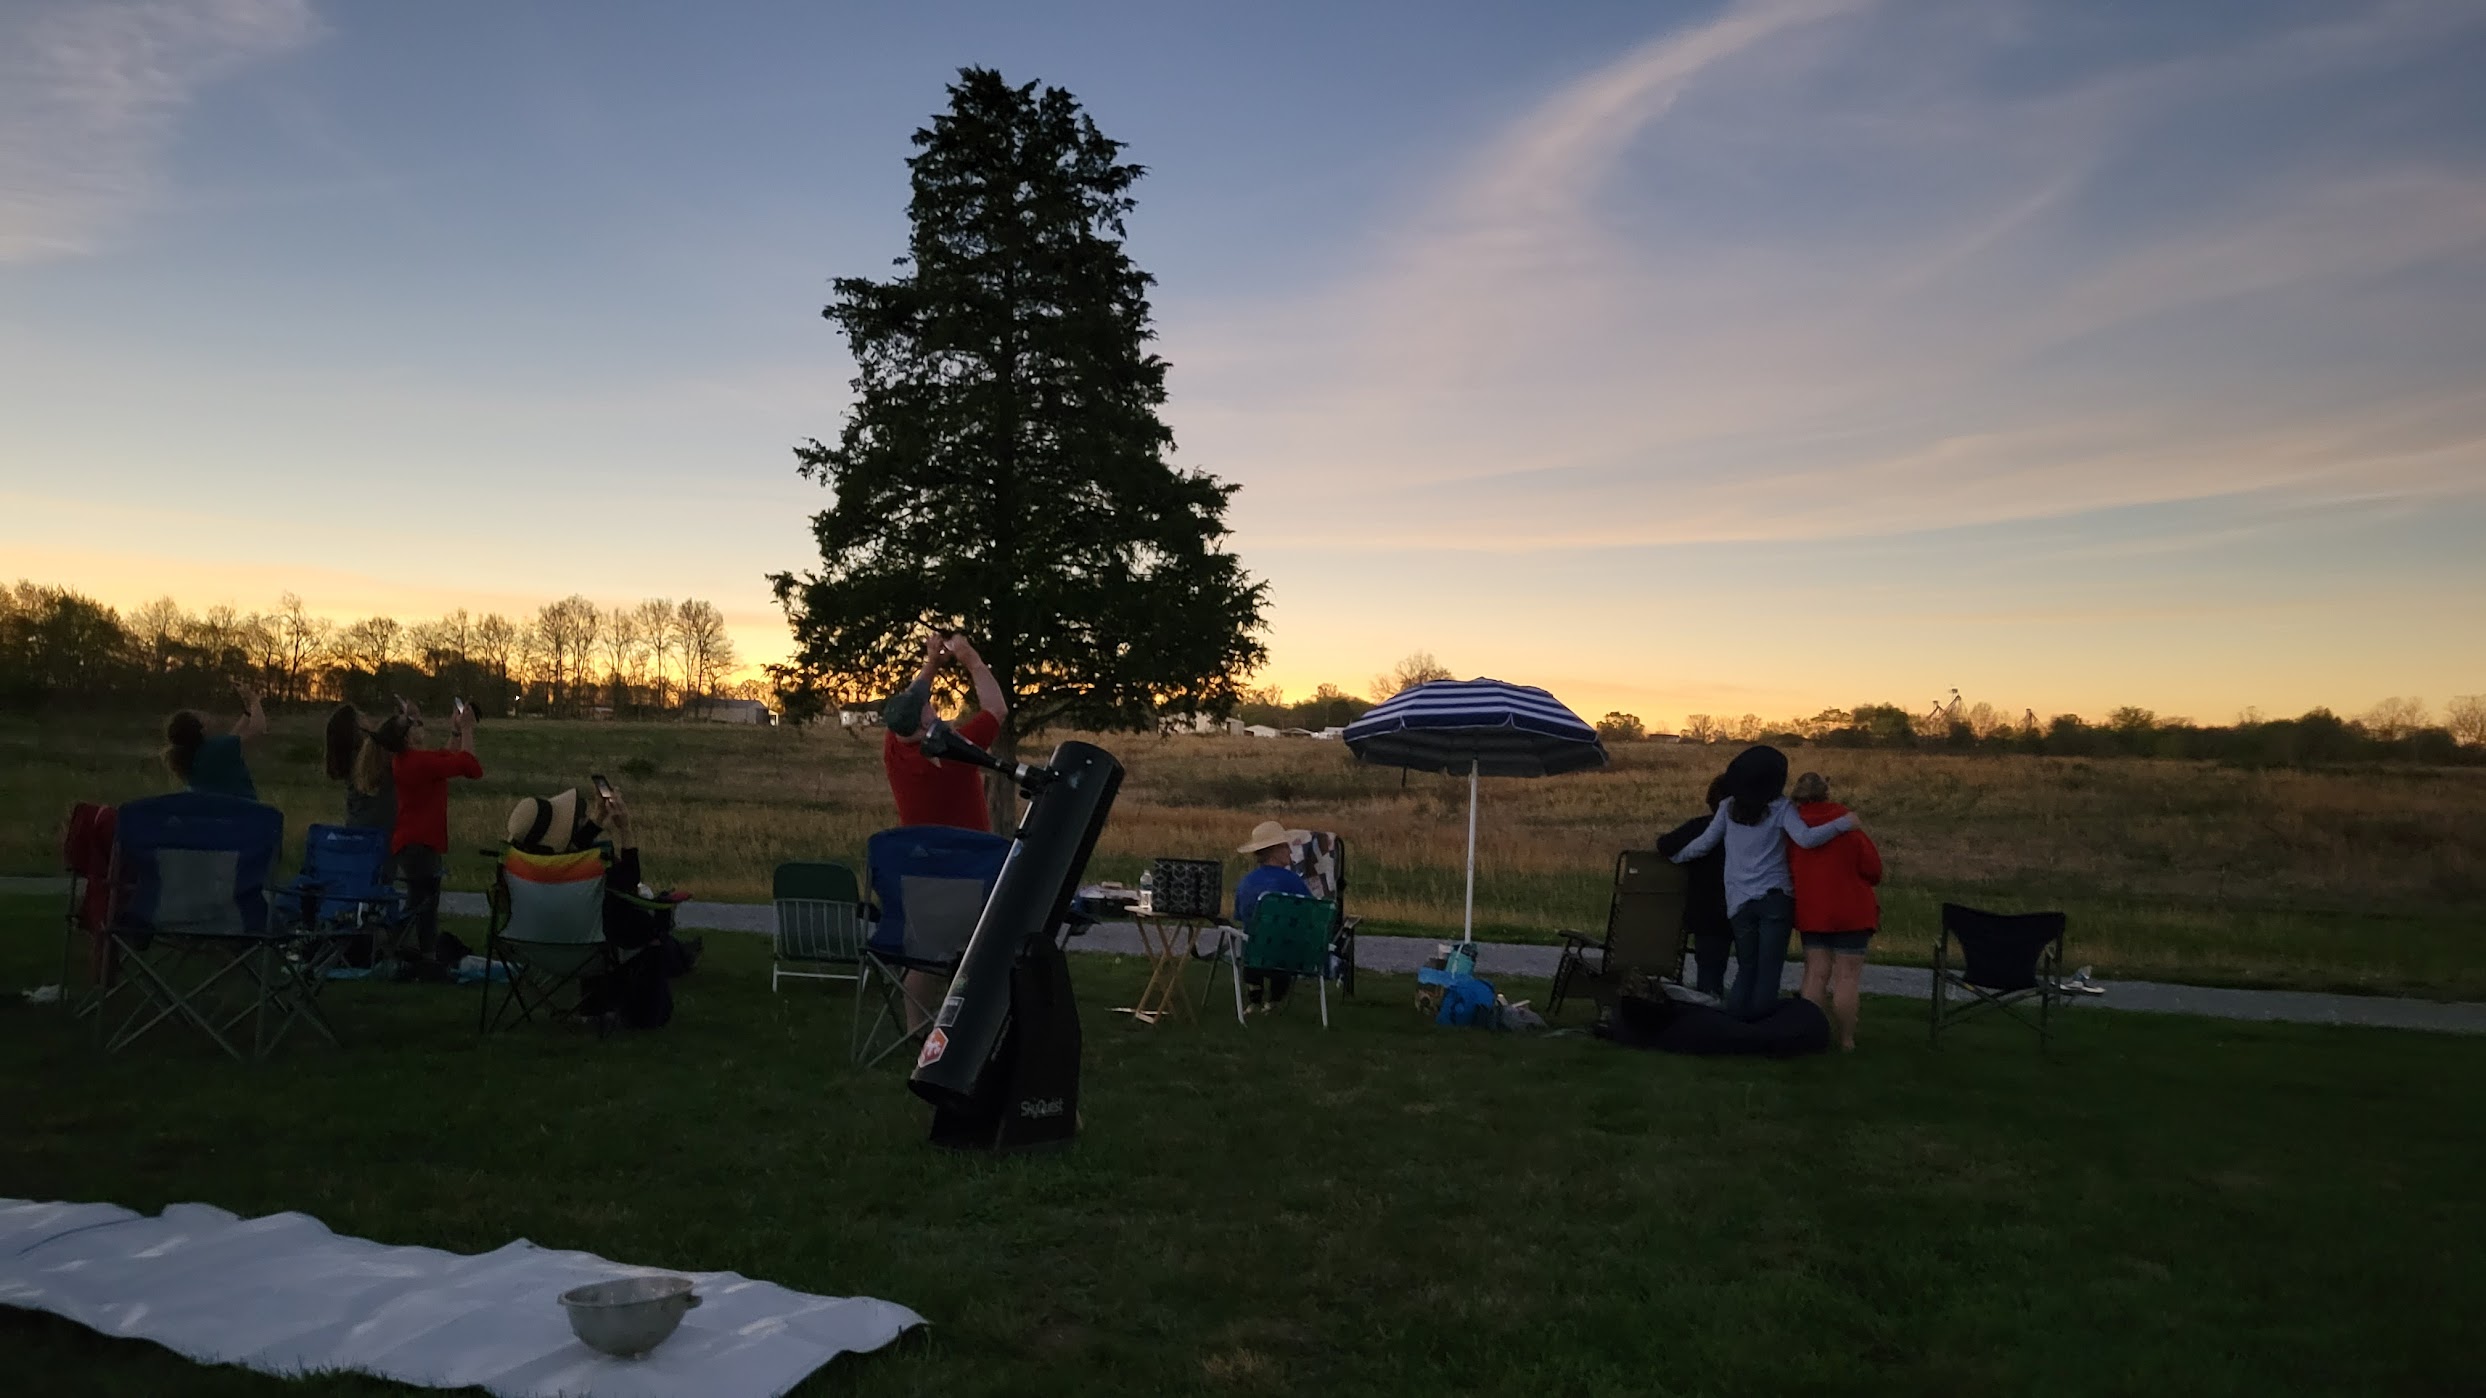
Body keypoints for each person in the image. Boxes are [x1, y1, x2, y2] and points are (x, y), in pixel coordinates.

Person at [1665, 745, 1862, 1021]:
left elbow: (1703, 844)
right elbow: (1806, 839)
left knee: (1747, 967)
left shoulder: (1728, 808)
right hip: (1775, 898)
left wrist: (1675, 857)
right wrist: (1843, 824)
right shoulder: (1781, 809)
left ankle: (1734, 1024)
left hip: (1738, 901)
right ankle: (1761, 1028)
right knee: (1768, 970)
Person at [881, 631, 1010, 1027]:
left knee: (925, 956)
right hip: (969, 874)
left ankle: (919, 1032)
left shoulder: (894, 745)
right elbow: (996, 709)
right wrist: (969, 657)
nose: (933, 705)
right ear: (926, 721)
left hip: (922, 872)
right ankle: (978, 1024)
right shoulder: (954, 751)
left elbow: (912, 698)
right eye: (929, 708)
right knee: (982, 951)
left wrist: (932, 662)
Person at [504, 786, 700, 1029]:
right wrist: (625, 828)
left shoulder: (519, 867)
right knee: (646, 932)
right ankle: (646, 1006)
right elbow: (629, 879)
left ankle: (598, 1006)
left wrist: (597, 819)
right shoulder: (583, 870)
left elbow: (568, 849)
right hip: (589, 951)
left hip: (532, 950)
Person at [373, 700, 481, 978]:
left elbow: (444, 757)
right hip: (420, 842)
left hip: (412, 842)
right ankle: (410, 952)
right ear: (409, 736)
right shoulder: (416, 762)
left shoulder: (408, 761)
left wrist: (456, 733)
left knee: (421, 900)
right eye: (417, 724)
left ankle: (413, 952)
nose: (422, 727)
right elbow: (471, 767)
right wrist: (468, 729)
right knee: (424, 903)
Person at [1789, 772, 1883, 1051]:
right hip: (1853, 911)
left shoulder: (1794, 829)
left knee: (1815, 974)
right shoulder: (1850, 827)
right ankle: (1846, 1040)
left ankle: (1811, 1036)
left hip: (1813, 910)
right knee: (1847, 977)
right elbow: (1873, 870)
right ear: (1827, 793)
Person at [1655, 769, 1735, 1000]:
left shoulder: (1699, 827)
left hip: (1707, 910)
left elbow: (1665, 844)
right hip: (1743, 905)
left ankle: (1709, 1008)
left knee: (1709, 969)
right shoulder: (1751, 832)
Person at [1232, 819, 1313, 1010]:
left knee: (1252, 940)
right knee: (1284, 939)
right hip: (1288, 955)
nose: (1291, 851)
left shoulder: (1246, 883)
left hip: (1254, 956)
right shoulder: (1293, 882)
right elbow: (1308, 914)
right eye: (1286, 847)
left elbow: (1240, 916)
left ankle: (1254, 998)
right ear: (1275, 851)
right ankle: (1275, 1000)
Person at [162, 682, 266, 799]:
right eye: (201, 716)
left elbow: (232, 738)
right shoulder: (215, 748)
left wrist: (248, 712)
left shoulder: (193, 755)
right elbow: (258, 728)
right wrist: (254, 700)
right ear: (201, 729)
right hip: (241, 809)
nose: (206, 714)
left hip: (215, 812)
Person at [325, 703, 396, 839]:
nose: (367, 717)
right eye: (361, 716)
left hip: (358, 838)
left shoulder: (352, 763)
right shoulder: (371, 760)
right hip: (377, 841)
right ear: (358, 730)